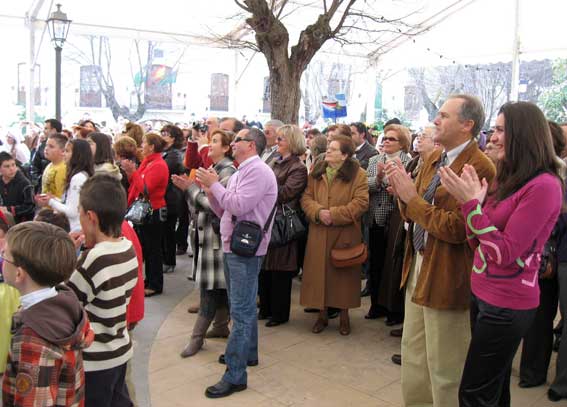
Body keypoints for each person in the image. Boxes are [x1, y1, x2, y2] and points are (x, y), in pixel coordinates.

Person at [438, 102, 563, 406]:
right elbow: (477, 243)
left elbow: (504, 252)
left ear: (523, 134)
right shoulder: (506, 178)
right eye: (493, 129)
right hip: (482, 293)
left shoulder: (544, 186)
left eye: (499, 130)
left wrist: (470, 206)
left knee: (474, 393)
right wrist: (474, 207)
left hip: (507, 304)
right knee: (493, 389)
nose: (491, 137)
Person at [386, 94, 496, 407]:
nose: (436, 121)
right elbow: (413, 212)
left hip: (448, 273)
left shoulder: (479, 166)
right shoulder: (435, 158)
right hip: (419, 262)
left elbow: (460, 229)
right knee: (414, 354)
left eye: (444, 116)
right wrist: (402, 194)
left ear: (467, 125)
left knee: (445, 365)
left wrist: (412, 199)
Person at [196, 127, 277, 399]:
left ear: (251, 145)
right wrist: (211, 189)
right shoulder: (243, 170)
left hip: (245, 250)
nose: (233, 143)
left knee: (240, 312)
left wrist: (215, 184)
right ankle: (247, 354)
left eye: (238, 139)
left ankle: (235, 374)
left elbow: (240, 205)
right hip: (236, 246)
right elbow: (225, 209)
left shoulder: (258, 171)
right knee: (242, 307)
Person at [2, 221, 94, 406]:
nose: (2, 259)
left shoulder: (33, 338)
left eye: (5, 256)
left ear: (19, 274)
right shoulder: (62, 306)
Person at [67, 175, 138, 407]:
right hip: (119, 349)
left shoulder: (95, 258)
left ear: (91, 217)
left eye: (80, 214)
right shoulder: (126, 247)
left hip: (95, 360)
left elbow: (67, 301)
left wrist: (68, 256)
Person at [174, 129, 236, 357]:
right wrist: (190, 190)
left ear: (227, 148)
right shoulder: (215, 169)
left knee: (209, 291)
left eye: (216, 141)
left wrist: (190, 190)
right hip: (207, 237)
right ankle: (220, 326)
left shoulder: (228, 170)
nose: (210, 145)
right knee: (215, 287)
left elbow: (215, 204)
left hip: (217, 239)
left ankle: (196, 338)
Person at [300, 135, 369, 335]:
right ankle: (321, 315)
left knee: (343, 277)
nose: (328, 151)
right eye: (328, 148)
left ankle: (344, 316)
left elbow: (361, 202)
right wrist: (318, 212)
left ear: (345, 155)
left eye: (333, 149)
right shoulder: (317, 171)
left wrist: (335, 215)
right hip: (319, 232)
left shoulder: (359, 174)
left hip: (345, 233)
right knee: (319, 275)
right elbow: (306, 197)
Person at [519, 120, 566, 390]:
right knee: (539, 315)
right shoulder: (534, 174)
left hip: (555, 252)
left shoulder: (552, 177)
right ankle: (532, 372)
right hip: (543, 254)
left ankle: (552, 379)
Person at [259, 124, 308, 327]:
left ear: (292, 142)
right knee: (265, 267)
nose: (276, 142)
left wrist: (263, 187)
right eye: (277, 138)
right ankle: (266, 308)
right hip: (268, 219)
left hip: (283, 222)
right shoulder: (276, 162)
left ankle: (279, 313)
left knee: (280, 269)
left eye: (281, 139)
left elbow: (286, 193)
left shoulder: (298, 167)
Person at [365, 124, 411, 324]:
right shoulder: (375, 160)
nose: (386, 142)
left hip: (396, 220)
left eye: (391, 139)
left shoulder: (408, 162)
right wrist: (380, 178)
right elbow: (366, 185)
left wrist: (393, 186)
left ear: (402, 143)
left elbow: (405, 191)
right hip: (375, 218)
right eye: (385, 138)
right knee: (375, 264)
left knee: (392, 265)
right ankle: (376, 305)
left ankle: (393, 310)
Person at [121, 133, 169, 297]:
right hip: (147, 210)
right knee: (147, 248)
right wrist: (131, 172)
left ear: (152, 146)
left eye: (144, 143)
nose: (141, 145)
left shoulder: (158, 165)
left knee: (153, 249)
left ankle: (155, 283)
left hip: (153, 211)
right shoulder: (149, 163)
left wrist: (133, 172)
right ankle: (150, 280)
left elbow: (145, 189)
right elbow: (136, 183)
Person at [36, 139, 94, 232]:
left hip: (75, 228)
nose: (63, 154)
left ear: (77, 155)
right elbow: (71, 203)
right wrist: (54, 199)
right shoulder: (79, 175)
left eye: (67, 151)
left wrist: (51, 202)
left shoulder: (78, 178)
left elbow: (73, 211)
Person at [160, 124, 186, 273]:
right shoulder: (165, 152)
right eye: (162, 132)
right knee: (164, 231)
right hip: (167, 195)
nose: (163, 136)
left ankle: (169, 261)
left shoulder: (174, 154)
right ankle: (166, 259)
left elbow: (164, 170)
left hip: (171, 197)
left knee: (168, 230)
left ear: (173, 138)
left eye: (166, 133)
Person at [0, 152, 35, 223]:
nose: (11, 169)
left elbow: (30, 207)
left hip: (21, 224)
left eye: (13, 165)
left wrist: (9, 209)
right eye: (7, 166)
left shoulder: (25, 183)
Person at [30, 119, 59, 191]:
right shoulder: (41, 146)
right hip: (43, 186)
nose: (44, 131)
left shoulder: (66, 145)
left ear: (54, 130)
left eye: (46, 128)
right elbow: (34, 166)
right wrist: (40, 179)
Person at [40, 133, 68, 200]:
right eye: (46, 145)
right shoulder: (50, 165)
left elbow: (61, 197)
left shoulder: (63, 169)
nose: (46, 148)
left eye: (51, 146)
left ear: (63, 151)